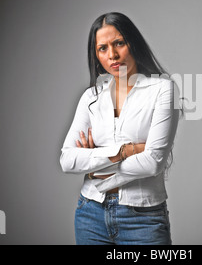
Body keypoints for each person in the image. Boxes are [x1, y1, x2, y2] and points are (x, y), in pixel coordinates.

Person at [60, 12, 180, 245]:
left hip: (142, 218)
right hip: (90, 214)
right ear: (96, 56)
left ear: (132, 43)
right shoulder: (91, 97)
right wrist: (128, 150)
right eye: (102, 48)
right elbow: (67, 159)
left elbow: (153, 161)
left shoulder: (163, 90)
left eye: (119, 43)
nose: (112, 55)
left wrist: (95, 167)